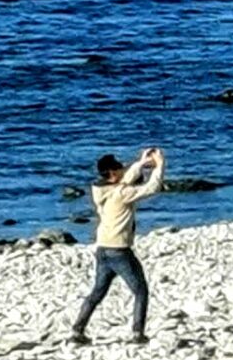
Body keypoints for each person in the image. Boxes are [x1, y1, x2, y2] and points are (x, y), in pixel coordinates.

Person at [69, 146, 165, 344]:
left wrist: (142, 162)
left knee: (97, 292)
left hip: (102, 249)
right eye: (119, 167)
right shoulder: (121, 193)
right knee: (140, 291)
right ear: (113, 173)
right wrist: (160, 166)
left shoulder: (101, 191)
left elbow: (125, 179)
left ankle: (77, 331)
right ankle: (137, 333)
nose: (123, 168)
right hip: (120, 251)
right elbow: (151, 187)